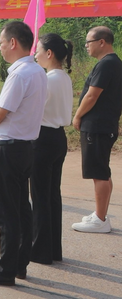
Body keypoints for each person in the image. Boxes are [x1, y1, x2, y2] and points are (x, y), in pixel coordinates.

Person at [0, 21, 47, 285]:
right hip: (24, 147)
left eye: (1, 42)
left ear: (13, 43)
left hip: (8, 149)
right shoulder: (37, 70)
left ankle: (6, 269)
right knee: (21, 208)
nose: (0, 47)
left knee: (7, 212)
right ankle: (20, 263)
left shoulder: (19, 74)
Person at [71, 26, 122, 233]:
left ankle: (100, 220)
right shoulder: (114, 63)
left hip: (98, 125)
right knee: (103, 170)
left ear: (102, 42)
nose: (86, 47)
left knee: (99, 173)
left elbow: (92, 96)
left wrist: (77, 115)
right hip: (105, 124)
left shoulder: (107, 64)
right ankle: (101, 214)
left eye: (88, 42)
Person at [31, 33, 73, 264]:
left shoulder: (47, 79)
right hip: (58, 138)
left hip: (43, 138)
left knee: (39, 195)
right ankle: (53, 249)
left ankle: (39, 250)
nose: (35, 55)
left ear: (49, 54)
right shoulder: (63, 77)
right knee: (51, 195)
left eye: (38, 50)